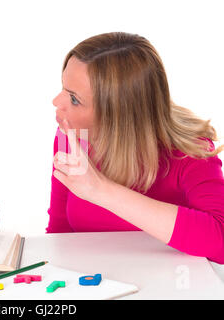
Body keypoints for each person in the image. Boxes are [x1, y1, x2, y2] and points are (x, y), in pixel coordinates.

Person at [47, 32, 224, 264]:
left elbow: (220, 242)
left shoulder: (190, 151)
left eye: (74, 99)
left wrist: (101, 190)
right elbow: (59, 238)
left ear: (117, 116)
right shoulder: (71, 139)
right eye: (63, 87)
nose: (56, 102)